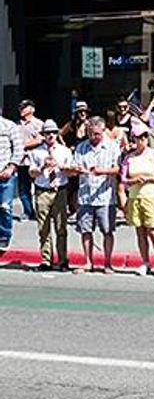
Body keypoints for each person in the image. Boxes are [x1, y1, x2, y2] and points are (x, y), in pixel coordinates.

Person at [121, 121, 154, 277]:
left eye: (144, 137)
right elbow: (124, 179)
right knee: (140, 231)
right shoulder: (129, 157)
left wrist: (149, 178)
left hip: (152, 196)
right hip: (135, 196)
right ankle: (145, 262)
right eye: (137, 137)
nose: (141, 140)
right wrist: (134, 180)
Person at [70, 117, 122, 273]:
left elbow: (119, 169)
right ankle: (88, 262)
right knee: (86, 230)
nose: (94, 137)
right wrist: (76, 169)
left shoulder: (112, 147)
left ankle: (107, 263)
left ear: (103, 131)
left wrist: (103, 171)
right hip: (85, 195)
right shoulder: (81, 147)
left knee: (107, 230)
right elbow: (74, 167)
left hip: (105, 196)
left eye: (97, 134)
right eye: (91, 134)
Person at [28, 120, 73, 271]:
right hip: (42, 191)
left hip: (59, 190)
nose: (51, 135)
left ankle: (62, 260)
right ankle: (46, 260)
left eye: (53, 132)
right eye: (47, 133)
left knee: (61, 227)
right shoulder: (36, 152)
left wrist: (60, 167)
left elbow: (72, 172)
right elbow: (31, 173)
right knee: (44, 228)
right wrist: (42, 167)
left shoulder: (64, 151)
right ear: (43, 135)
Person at [0, 111, 26, 249]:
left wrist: (11, 167)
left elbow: (18, 149)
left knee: (5, 207)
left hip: (5, 174)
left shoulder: (9, 126)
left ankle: (4, 235)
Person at [17, 99, 43, 221]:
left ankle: (41, 211)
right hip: (21, 161)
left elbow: (40, 140)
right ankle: (28, 211)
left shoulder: (38, 124)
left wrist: (23, 145)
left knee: (39, 187)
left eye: (24, 107)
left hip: (35, 161)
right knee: (23, 189)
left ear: (31, 109)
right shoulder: (17, 125)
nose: (21, 110)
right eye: (21, 108)